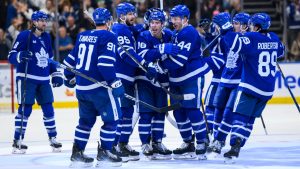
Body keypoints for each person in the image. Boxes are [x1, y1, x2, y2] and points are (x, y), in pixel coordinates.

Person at [63, 8, 123, 167]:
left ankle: (77, 152)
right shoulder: (109, 36)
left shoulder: (83, 35)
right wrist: (115, 83)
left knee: (85, 121)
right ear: (109, 21)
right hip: (100, 89)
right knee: (112, 120)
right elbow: (105, 64)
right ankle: (105, 152)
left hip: (82, 89)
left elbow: (69, 61)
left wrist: (67, 77)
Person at [223, 13, 285, 162]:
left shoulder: (252, 38)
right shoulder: (274, 38)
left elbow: (232, 43)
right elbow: (281, 52)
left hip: (250, 86)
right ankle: (241, 142)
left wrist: (225, 30)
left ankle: (235, 144)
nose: (249, 27)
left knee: (240, 116)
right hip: (267, 90)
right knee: (250, 119)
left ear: (257, 27)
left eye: (251, 25)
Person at [152, 5, 210, 160]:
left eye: (176, 19)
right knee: (179, 113)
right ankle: (188, 143)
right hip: (176, 80)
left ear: (185, 19)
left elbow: (179, 60)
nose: (173, 22)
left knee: (192, 111)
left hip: (191, 78)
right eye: (172, 19)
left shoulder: (189, 32)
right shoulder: (176, 33)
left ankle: (202, 141)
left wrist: (161, 66)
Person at [8, 11, 63, 154]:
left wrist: (55, 73)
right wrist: (20, 56)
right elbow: (11, 56)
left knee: (49, 109)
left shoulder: (47, 37)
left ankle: (53, 138)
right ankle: (17, 141)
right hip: (27, 79)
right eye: (41, 20)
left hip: (44, 80)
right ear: (34, 22)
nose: (44, 23)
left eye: (45, 20)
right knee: (25, 109)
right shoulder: (24, 36)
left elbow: (50, 58)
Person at [111, 2, 160, 162]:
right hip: (121, 77)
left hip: (127, 78)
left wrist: (144, 24)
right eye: (129, 14)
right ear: (121, 16)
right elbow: (128, 54)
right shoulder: (120, 29)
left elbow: (135, 29)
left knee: (127, 113)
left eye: (133, 13)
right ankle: (114, 146)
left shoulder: (127, 29)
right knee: (122, 114)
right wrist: (145, 65)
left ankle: (122, 144)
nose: (133, 16)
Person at [136, 10, 178, 160]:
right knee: (146, 113)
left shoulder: (169, 35)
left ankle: (157, 142)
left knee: (160, 113)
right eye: (152, 22)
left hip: (162, 81)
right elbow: (142, 55)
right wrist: (161, 49)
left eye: (157, 23)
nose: (154, 25)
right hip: (145, 81)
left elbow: (176, 54)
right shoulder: (144, 36)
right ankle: (145, 144)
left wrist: (163, 64)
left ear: (162, 24)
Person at [207, 12, 250, 156]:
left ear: (244, 26)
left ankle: (220, 140)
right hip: (224, 80)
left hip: (238, 83)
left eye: (236, 24)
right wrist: (210, 33)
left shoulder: (247, 39)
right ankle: (216, 141)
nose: (233, 26)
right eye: (233, 23)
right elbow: (218, 46)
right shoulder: (229, 36)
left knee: (228, 113)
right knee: (217, 110)